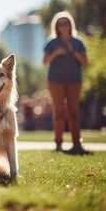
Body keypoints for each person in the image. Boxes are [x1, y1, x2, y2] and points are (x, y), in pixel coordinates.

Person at [43, 11, 88, 154]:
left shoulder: (78, 41)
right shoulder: (51, 42)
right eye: (60, 24)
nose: (63, 26)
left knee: (73, 112)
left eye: (66, 23)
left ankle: (76, 143)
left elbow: (85, 62)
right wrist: (56, 53)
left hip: (74, 81)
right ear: (56, 26)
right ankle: (58, 143)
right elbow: (45, 61)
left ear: (70, 25)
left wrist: (72, 50)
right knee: (58, 112)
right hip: (55, 81)